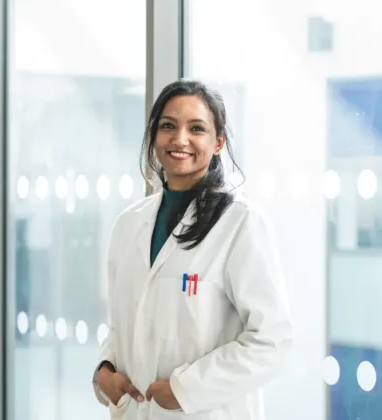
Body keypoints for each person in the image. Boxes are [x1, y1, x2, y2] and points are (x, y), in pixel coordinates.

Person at [92, 79, 294, 420]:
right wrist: (105, 369)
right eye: (168, 126)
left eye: (196, 128)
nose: (179, 139)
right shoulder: (128, 224)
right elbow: (125, 323)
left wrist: (186, 389)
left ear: (218, 142)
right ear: (153, 135)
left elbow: (270, 340)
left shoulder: (240, 224)